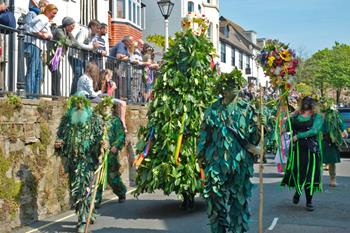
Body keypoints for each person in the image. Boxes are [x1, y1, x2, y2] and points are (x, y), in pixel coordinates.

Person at [198, 68, 261, 233]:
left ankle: (237, 230)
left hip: (240, 162)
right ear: (222, 89)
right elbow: (205, 135)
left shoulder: (247, 109)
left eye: (235, 84)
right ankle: (219, 229)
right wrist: (201, 155)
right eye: (229, 84)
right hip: (216, 162)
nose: (233, 87)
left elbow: (254, 139)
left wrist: (261, 124)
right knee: (214, 198)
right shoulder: (212, 110)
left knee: (238, 202)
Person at [55, 95, 103, 233]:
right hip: (72, 162)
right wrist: (59, 144)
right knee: (76, 191)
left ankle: (82, 220)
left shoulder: (95, 120)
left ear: (86, 105)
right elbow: (61, 137)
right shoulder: (67, 120)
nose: (79, 107)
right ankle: (89, 212)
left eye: (82, 104)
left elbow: (101, 138)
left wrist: (103, 145)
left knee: (83, 189)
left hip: (87, 161)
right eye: (77, 104)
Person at [281, 96, 323, 211]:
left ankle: (309, 201)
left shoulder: (317, 117)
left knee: (311, 175)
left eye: (309, 102)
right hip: (297, 150)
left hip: (311, 150)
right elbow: (285, 128)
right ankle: (298, 192)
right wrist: (287, 118)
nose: (306, 103)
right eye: (304, 101)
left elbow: (314, 130)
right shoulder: (296, 116)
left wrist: (298, 136)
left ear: (313, 104)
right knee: (298, 172)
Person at [94, 97, 127, 208]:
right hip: (99, 154)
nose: (105, 108)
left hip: (110, 154)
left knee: (112, 177)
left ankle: (121, 192)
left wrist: (115, 146)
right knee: (98, 176)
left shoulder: (115, 121)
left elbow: (121, 135)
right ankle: (96, 200)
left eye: (107, 106)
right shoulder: (97, 121)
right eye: (103, 106)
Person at [24, 3, 57, 97]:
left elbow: (50, 35)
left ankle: (35, 95)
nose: (54, 15)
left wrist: (47, 35)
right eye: (53, 13)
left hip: (37, 46)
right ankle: (30, 95)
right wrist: (42, 35)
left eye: (55, 14)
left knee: (38, 72)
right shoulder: (43, 18)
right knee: (33, 70)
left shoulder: (44, 19)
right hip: (33, 45)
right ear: (47, 11)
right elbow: (32, 30)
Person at [48, 16, 78, 96]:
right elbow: (66, 42)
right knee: (56, 74)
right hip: (53, 55)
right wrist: (70, 42)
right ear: (67, 25)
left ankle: (56, 95)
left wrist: (70, 42)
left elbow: (76, 43)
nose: (73, 28)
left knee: (57, 74)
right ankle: (56, 95)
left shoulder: (68, 33)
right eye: (72, 26)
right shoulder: (59, 31)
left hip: (58, 56)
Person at [321, 99, 348, 187]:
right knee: (317, 160)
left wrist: (343, 130)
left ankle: (333, 179)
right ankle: (317, 179)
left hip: (331, 140)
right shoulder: (318, 114)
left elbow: (340, 123)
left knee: (332, 161)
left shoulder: (334, 113)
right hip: (320, 140)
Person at [69, 19, 100, 95]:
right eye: (97, 28)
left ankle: (79, 94)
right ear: (92, 26)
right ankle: (73, 95)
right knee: (78, 75)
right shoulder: (84, 31)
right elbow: (79, 44)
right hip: (74, 56)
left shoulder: (92, 36)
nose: (98, 30)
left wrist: (95, 48)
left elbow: (90, 47)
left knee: (81, 76)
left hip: (81, 57)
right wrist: (92, 47)